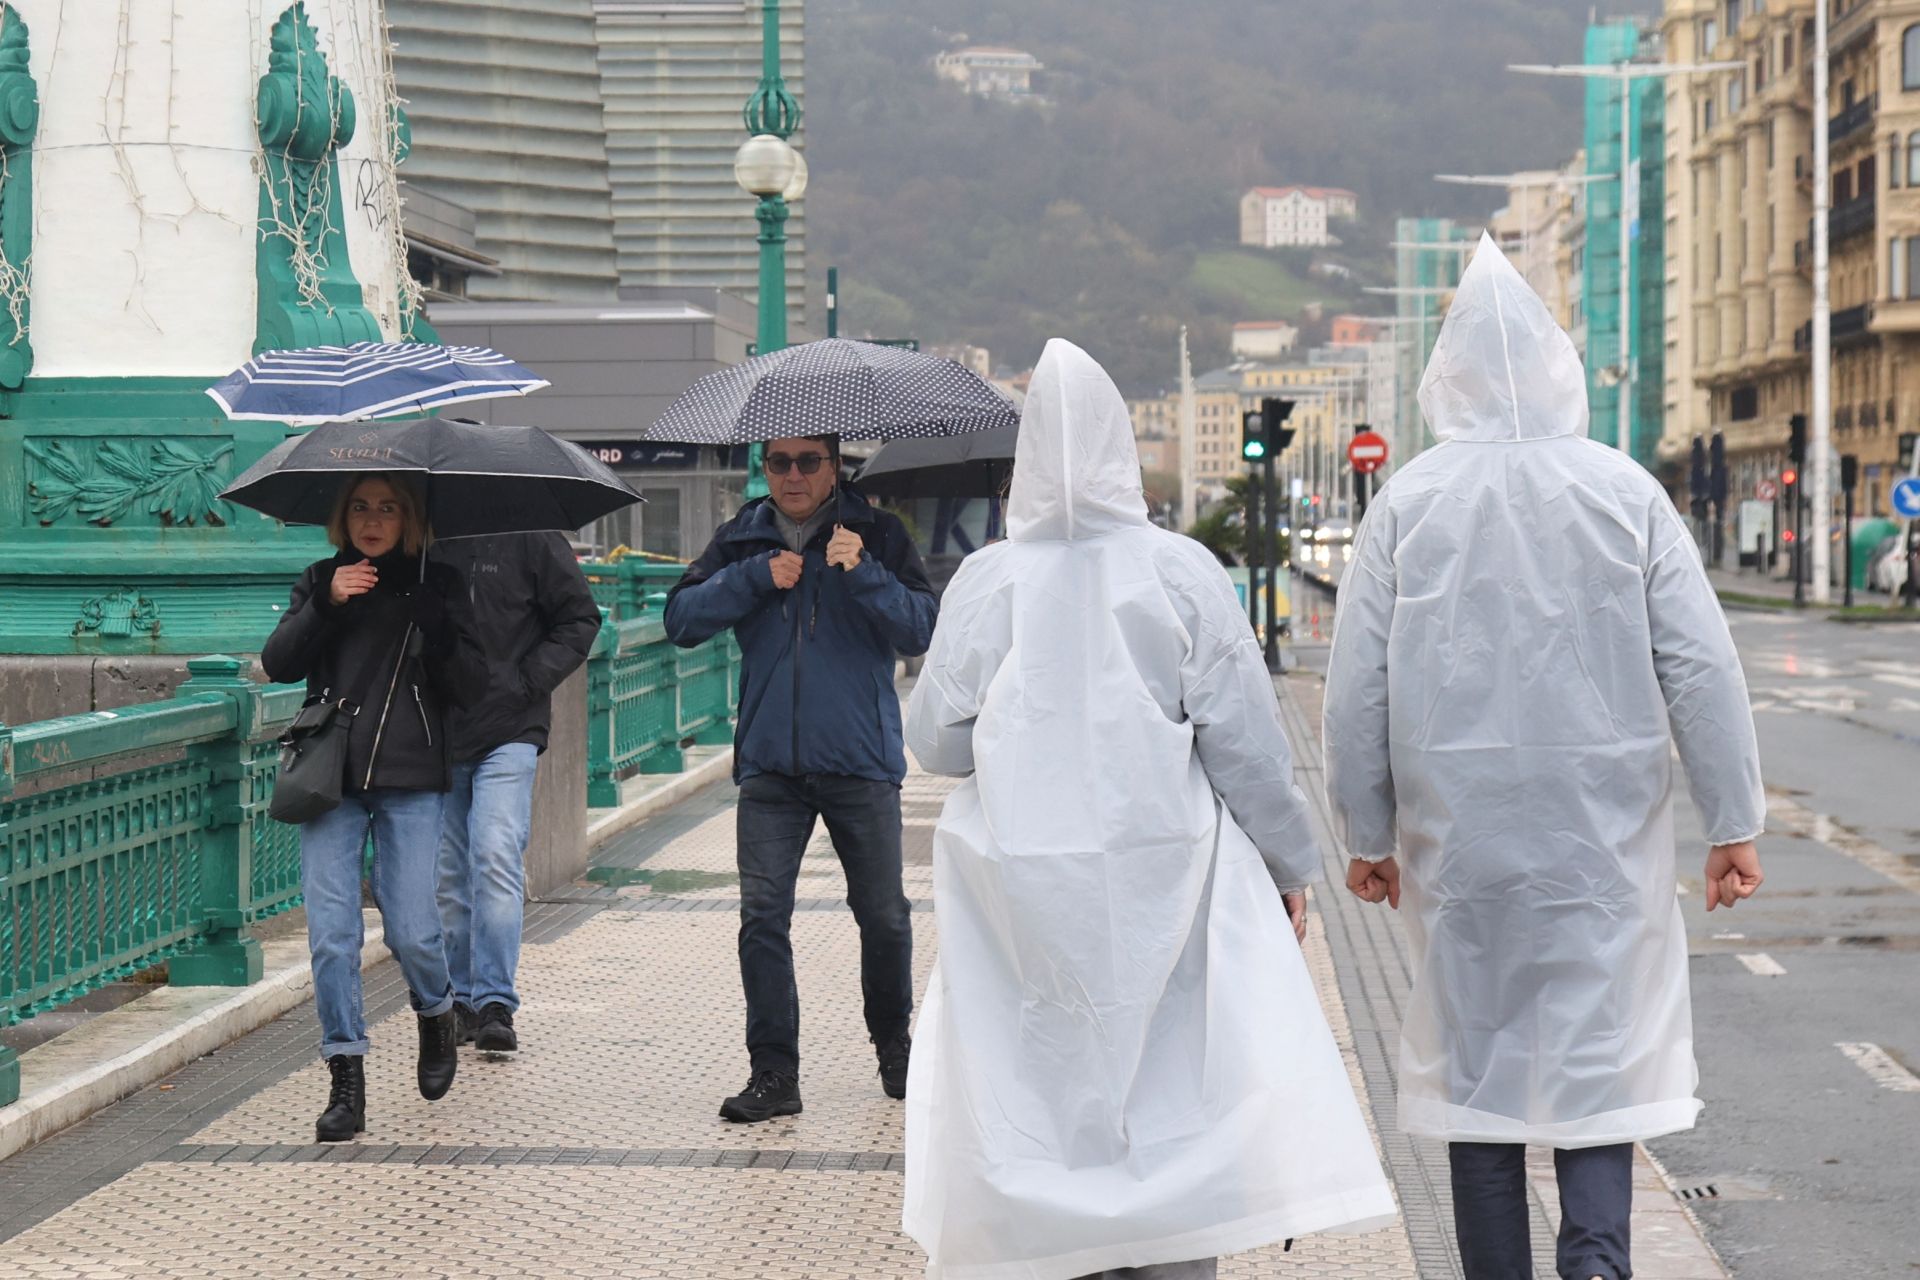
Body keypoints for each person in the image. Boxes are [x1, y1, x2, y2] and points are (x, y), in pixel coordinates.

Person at [901, 340, 1397, 1280]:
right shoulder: (1180, 573)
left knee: (1038, 1093)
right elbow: (1247, 747)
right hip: (1167, 888)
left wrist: (1014, 733)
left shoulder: (990, 581)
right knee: (1175, 1103)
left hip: (1024, 899)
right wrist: (1293, 866)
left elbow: (932, 740)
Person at [1323, 236, 1767, 1280]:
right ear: (1560, 368)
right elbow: (1701, 667)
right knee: (1596, 1070)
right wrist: (1731, 822)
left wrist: (1366, 834)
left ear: (1451, 377)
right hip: (1600, 845)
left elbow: (1355, 694)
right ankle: (1597, 1267)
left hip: (1459, 845)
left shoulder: (1410, 504)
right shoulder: (1624, 492)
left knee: (1479, 1080)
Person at [664, 434, 938, 1122]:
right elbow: (680, 620)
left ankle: (894, 1047)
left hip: (860, 761)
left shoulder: (878, 532)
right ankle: (774, 1073)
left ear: (833, 467)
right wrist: (753, 577)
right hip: (770, 767)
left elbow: (924, 629)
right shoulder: (741, 537)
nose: (791, 475)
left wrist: (866, 572)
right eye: (778, 462)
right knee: (762, 918)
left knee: (883, 917)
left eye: (807, 462)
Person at [261, 473, 470, 1143]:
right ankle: (345, 1074)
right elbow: (278, 664)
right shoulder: (323, 578)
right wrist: (326, 602)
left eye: (387, 508)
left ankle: (436, 1010)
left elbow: (472, 685)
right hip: (333, 778)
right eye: (360, 507)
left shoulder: (440, 582)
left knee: (411, 928)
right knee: (332, 934)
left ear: (409, 518)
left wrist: (437, 631)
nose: (372, 520)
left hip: (412, 776)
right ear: (341, 517)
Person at [433, 533, 601, 1053]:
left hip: (511, 728)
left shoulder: (533, 535)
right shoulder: (426, 529)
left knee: (496, 854)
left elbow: (579, 619)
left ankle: (495, 1001)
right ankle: (457, 997)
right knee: (445, 873)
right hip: (438, 731)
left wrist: (527, 681)